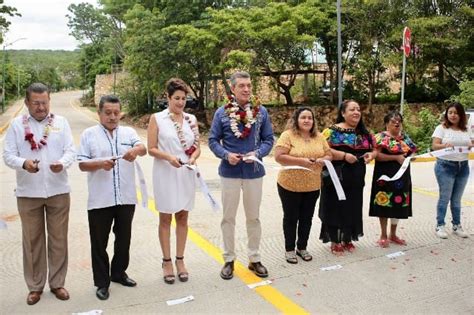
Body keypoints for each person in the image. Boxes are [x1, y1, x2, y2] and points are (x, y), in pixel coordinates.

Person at [3, 83, 76, 305]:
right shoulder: (16, 126)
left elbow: (71, 151)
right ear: (27, 103)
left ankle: (57, 283)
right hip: (28, 193)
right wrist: (24, 163)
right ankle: (35, 286)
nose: (41, 107)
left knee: (58, 239)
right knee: (32, 241)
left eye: (44, 102)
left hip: (58, 190)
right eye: (36, 103)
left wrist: (61, 164)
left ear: (49, 101)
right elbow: (7, 155)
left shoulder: (61, 123)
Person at [78, 95, 146, 300]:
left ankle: (118, 273)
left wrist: (135, 151)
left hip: (126, 198)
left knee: (123, 240)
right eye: (108, 113)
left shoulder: (128, 132)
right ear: (99, 113)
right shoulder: (89, 135)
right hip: (100, 200)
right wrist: (100, 164)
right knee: (99, 243)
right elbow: (81, 163)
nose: (113, 117)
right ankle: (102, 282)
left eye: (116, 113)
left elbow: (142, 148)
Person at [209, 71, 274, 280]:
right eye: (242, 86)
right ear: (233, 89)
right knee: (228, 217)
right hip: (229, 172)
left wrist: (258, 153)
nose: (246, 89)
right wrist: (226, 155)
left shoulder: (261, 112)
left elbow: (268, 139)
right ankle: (228, 259)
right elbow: (212, 140)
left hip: (254, 171)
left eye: (249, 85)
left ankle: (254, 258)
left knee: (253, 217)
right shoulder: (221, 113)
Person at [147, 78, 201, 284]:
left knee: (183, 217)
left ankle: (180, 260)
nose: (180, 103)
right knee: (165, 218)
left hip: (185, 172)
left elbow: (197, 146)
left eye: (183, 98)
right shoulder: (157, 119)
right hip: (166, 172)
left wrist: (194, 157)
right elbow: (151, 148)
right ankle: (166, 261)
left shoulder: (191, 119)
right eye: (176, 98)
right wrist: (169, 157)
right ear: (168, 98)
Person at [274, 107, 332, 264]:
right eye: (303, 118)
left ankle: (302, 247)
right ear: (296, 120)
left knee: (307, 218)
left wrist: (324, 160)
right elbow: (278, 157)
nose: (307, 120)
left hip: (312, 186)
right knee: (291, 218)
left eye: (310, 118)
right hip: (289, 185)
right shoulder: (288, 136)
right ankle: (289, 250)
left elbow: (329, 154)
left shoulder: (319, 137)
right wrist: (301, 161)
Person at [318, 100, 376, 256]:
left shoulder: (364, 133)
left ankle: (347, 238)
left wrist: (371, 155)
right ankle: (335, 240)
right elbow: (323, 149)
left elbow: (374, 150)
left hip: (356, 176)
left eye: (358, 109)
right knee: (335, 205)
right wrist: (343, 155)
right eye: (352, 109)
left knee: (353, 205)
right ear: (343, 113)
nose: (356, 112)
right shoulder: (332, 131)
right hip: (337, 175)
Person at [369, 111, 417, 248]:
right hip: (384, 176)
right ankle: (383, 235)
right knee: (384, 202)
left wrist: (411, 157)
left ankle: (393, 234)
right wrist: (395, 158)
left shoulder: (405, 138)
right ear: (386, 124)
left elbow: (411, 152)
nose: (397, 123)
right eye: (393, 121)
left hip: (402, 176)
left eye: (399, 121)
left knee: (398, 203)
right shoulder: (380, 137)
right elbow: (376, 156)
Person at [432, 102, 472, 239]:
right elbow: (434, 146)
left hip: (463, 166)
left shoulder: (466, 129)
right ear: (446, 114)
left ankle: (457, 225)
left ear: (461, 115)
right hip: (445, 166)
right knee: (445, 197)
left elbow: (471, 143)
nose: (453, 115)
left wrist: (471, 144)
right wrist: (444, 145)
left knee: (457, 199)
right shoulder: (441, 128)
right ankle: (440, 225)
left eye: (456, 113)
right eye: (450, 112)